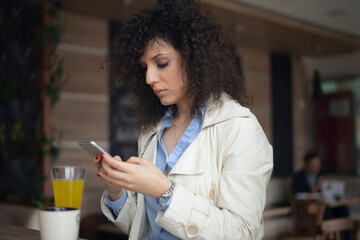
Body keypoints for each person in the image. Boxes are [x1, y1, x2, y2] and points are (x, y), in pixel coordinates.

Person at [91, 0, 273, 239]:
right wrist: (116, 191)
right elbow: (145, 228)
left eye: (161, 63)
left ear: (194, 58)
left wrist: (164, 192)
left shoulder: (240, 128)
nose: (149, 78)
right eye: (144, 67)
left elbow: (241, 232)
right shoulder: (151, 132)